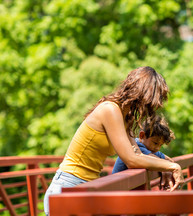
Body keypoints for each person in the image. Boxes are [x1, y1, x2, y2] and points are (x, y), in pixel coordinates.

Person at [43, 66, 184, 216]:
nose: (149, 109)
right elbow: (131, 160)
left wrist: (168, 165)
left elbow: (138, 154)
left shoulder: (125, 119)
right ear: (141, 94)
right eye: (150, 102)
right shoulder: (110, 110)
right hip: (68, 187)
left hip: (88, 188)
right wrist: (172, 167)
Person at [112, 114, 176, 189]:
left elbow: (169, 160)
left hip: (126, 189)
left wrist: (167, 169)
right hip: (117, 189)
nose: (157, 148)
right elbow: (157, 161)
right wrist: (166, 168)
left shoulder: (150, 149)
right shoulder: (137, 147)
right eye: (155, 143)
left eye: (160, 145)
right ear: (142, 135)